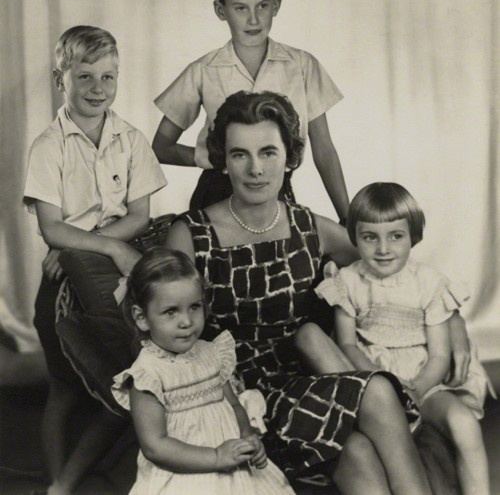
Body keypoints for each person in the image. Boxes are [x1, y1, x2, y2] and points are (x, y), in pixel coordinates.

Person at [165, 90, 433, 495]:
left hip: (306, 379)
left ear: (290, 157)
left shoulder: (310, 226)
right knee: (362, 429)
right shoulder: (191, 234)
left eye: (269, 152)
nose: (256, 169)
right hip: (239, 396)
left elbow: (389, 266)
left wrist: (453, 328)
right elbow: (163, 319)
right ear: (223, 160)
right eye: (241, 154)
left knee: (360, 446)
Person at [23, 25, 167, 495]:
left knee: (130, 380)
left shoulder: (130, 138)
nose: (97, 89)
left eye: (108, 77)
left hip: (116, 269)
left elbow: (142, 215)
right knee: (64, 390)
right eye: (84, 77)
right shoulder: (49, 146)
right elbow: (51, 228)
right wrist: (98, 245)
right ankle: (55, 482)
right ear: (59, 79)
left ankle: (84, 476)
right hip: (64, 272)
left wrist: (85, 244)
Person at [297, 182, 492, 495]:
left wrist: (416, 390)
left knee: (464, 425)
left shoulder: (428, 282)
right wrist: (383, 385)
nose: (383, 249)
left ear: (413, 236)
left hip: (424, 382)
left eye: (395, 236)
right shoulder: (347, 282)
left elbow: (440, 355)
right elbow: (347, 345)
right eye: (370, 237)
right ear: (354, 239)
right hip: (376, 381)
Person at [153, 0, 349, 221]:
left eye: (263, 6)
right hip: (217, 196)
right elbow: (160, 147)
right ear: (221, 10)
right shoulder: (203, 71)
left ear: (276, 5)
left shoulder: (302, 66)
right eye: (241, 8)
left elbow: (324, 149)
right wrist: (212, 158)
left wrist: (347, 218)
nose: (254, 19)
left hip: (277, 194)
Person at [111, 247, 295, 495]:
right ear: (142, 318)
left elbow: (234, 405)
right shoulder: (148, 374)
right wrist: (216, 457)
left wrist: (248, 438)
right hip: (184, 475)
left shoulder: (211, 353)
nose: (186, 321)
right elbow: (155, 446)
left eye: (194, 307)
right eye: (171, 311)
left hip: (234, 466)